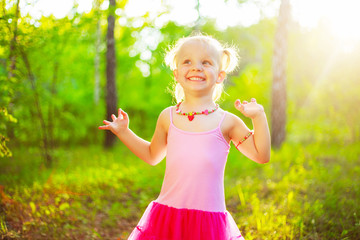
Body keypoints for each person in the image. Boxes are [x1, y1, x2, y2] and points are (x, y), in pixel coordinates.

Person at [98, 34, 271, 240]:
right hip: (166, 219)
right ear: (177, 74)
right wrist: (124, 132)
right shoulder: (168, 117)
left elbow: (262, 155)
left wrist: (258, 116)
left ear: (220, 76)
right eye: (187, 61)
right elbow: (152, 155)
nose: (197, 67)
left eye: (206, 62)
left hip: (209, 224)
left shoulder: (227, 122)